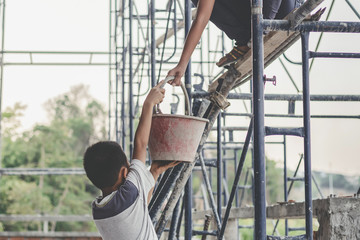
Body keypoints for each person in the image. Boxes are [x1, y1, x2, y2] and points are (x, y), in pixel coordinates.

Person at [83, 80, 178, 240]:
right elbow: (140, 145)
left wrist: (153, 172)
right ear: (123, 172)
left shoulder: (99, 210)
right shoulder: (128, 193)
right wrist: (148, 103)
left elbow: (139, 207)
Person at [167, 0, 298, 86]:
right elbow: (201, 18)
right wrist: (182, 65)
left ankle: (257, 32)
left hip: (286, 7)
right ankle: (245, 40)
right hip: (256, 16)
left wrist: (261, 31)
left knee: (260, 25)